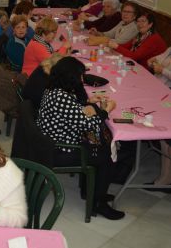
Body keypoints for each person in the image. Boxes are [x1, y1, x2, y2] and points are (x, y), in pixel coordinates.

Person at [36, 57, 124, 220]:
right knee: (106, 156)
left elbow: (72, 112)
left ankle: (90, 191)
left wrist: (88, 103)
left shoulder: (54, 90)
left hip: (51, 142)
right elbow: (89, 125)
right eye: (80, 76)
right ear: (70, 77)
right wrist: (106, 111)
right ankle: (97, 203)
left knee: (102, 146)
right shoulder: (61, 97)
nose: (82, 80)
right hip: (59, 150)